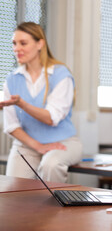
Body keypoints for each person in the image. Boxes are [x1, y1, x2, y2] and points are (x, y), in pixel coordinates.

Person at [1, 22, 82, 183]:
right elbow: (11, 125)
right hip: (26, 145)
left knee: (50, 165)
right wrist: (38, 146)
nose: (17, 48)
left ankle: (54, 207)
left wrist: (22, 104)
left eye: (23, 43)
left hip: (63, 143)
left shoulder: (60, 75)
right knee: (11, 191)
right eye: (14, 43)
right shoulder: (12, 79)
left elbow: (51, 118)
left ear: (40, 44)